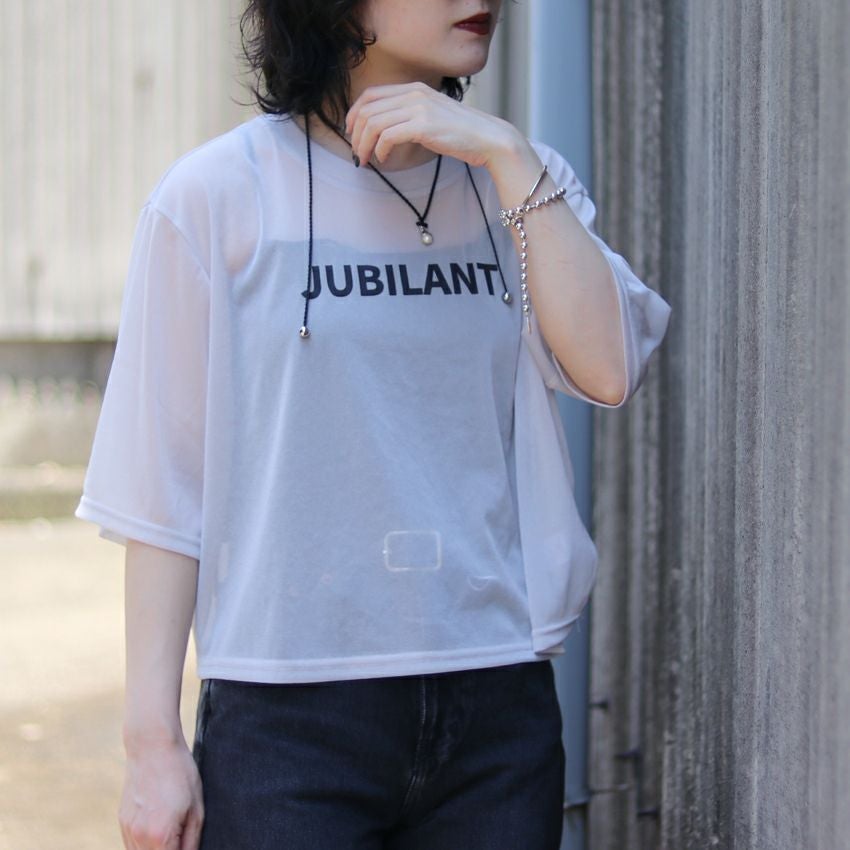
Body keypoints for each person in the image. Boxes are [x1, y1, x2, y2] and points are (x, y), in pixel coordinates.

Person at [75, 1, 672, 848]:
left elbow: (608, 368)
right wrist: (151, 744)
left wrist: (508, 154)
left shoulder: (519, 186)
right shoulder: (216, 197)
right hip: (287, 721)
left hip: (495, 709)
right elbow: (162, 489)